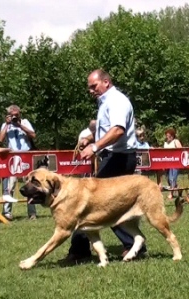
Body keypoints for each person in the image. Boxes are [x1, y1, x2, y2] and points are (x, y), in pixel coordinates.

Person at [62, 69, 146, 263]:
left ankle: (80, 249)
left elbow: (117, 131)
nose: (91, 91)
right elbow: (109, 130)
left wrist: (94, 146)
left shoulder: (117, 100)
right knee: (110, 205)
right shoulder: (106, 102)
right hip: (113, 156)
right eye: (89, 88)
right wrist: (90, 138)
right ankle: (132, 244)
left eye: (94, 86)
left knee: (91, 201)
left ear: (106, 82)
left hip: (119, 158)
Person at [0, 105, 37, 220]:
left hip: (26, 155)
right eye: (12, 115)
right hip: (13, 157)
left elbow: (33, 135)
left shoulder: (25, 122)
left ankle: (32, 213)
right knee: (10, 185)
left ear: (20, 114)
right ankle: (7, 212)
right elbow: (0, 139)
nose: (14, 117)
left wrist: (20, 125)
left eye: (16, 114)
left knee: (29, 184)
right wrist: (7, 124)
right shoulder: (6, 125)